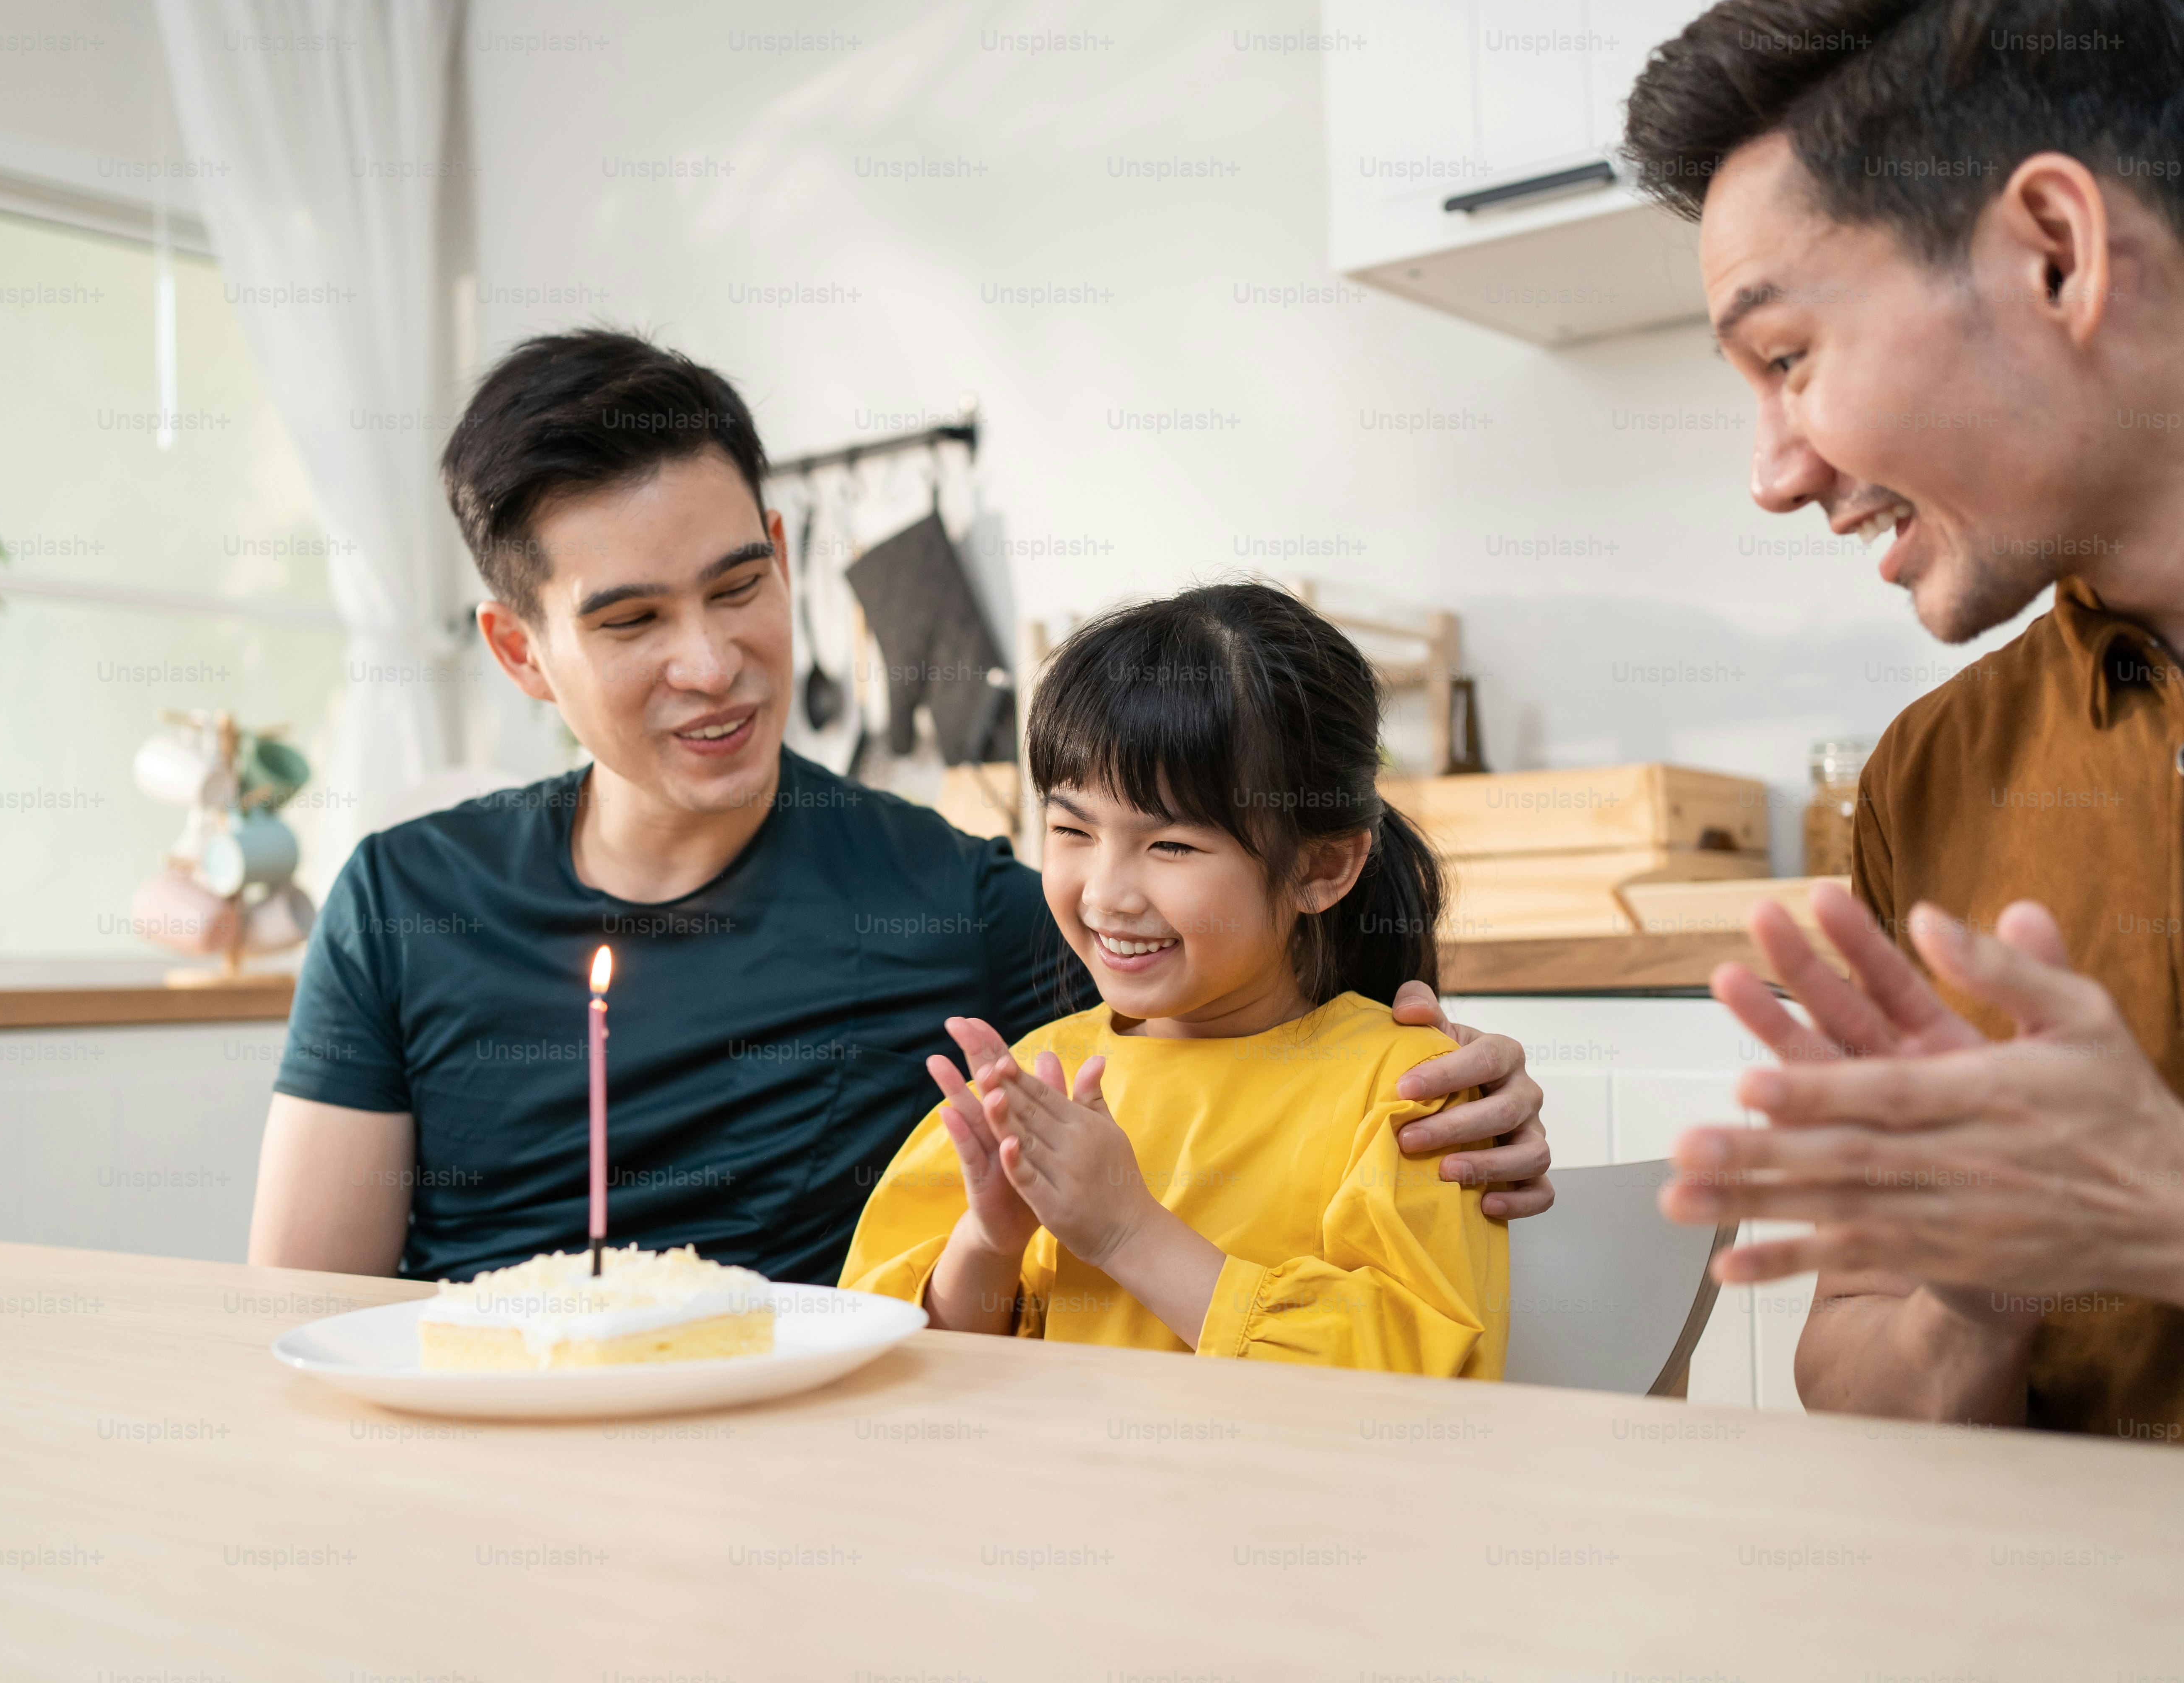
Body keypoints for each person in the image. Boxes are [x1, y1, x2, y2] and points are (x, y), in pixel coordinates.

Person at [248, 329, 1554, 1285]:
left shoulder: (960, 905)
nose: (713, 663)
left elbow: (1252, 1000)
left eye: (739, 585)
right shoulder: (401, 900)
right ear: (521, 650)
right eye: (634, 620)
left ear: (777, 549)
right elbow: (300, 1310)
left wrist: (1462, 1089)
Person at [1623, 0, 2184, 1435]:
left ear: (2055, 253)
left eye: (1790, 357)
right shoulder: (1934, 777)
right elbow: (1857, 1375)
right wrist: (1976, 1298)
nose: (1773, 472)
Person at [842, 584, 1507, 1377]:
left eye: (1172, 847)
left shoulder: (1406, 1095)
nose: (1107, 894)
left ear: (1322, 866)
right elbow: (896, 1365)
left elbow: (1414, 1381)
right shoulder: (1034, 1085)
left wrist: (1128, 1232)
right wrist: (990, 1240)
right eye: (1071, 830)